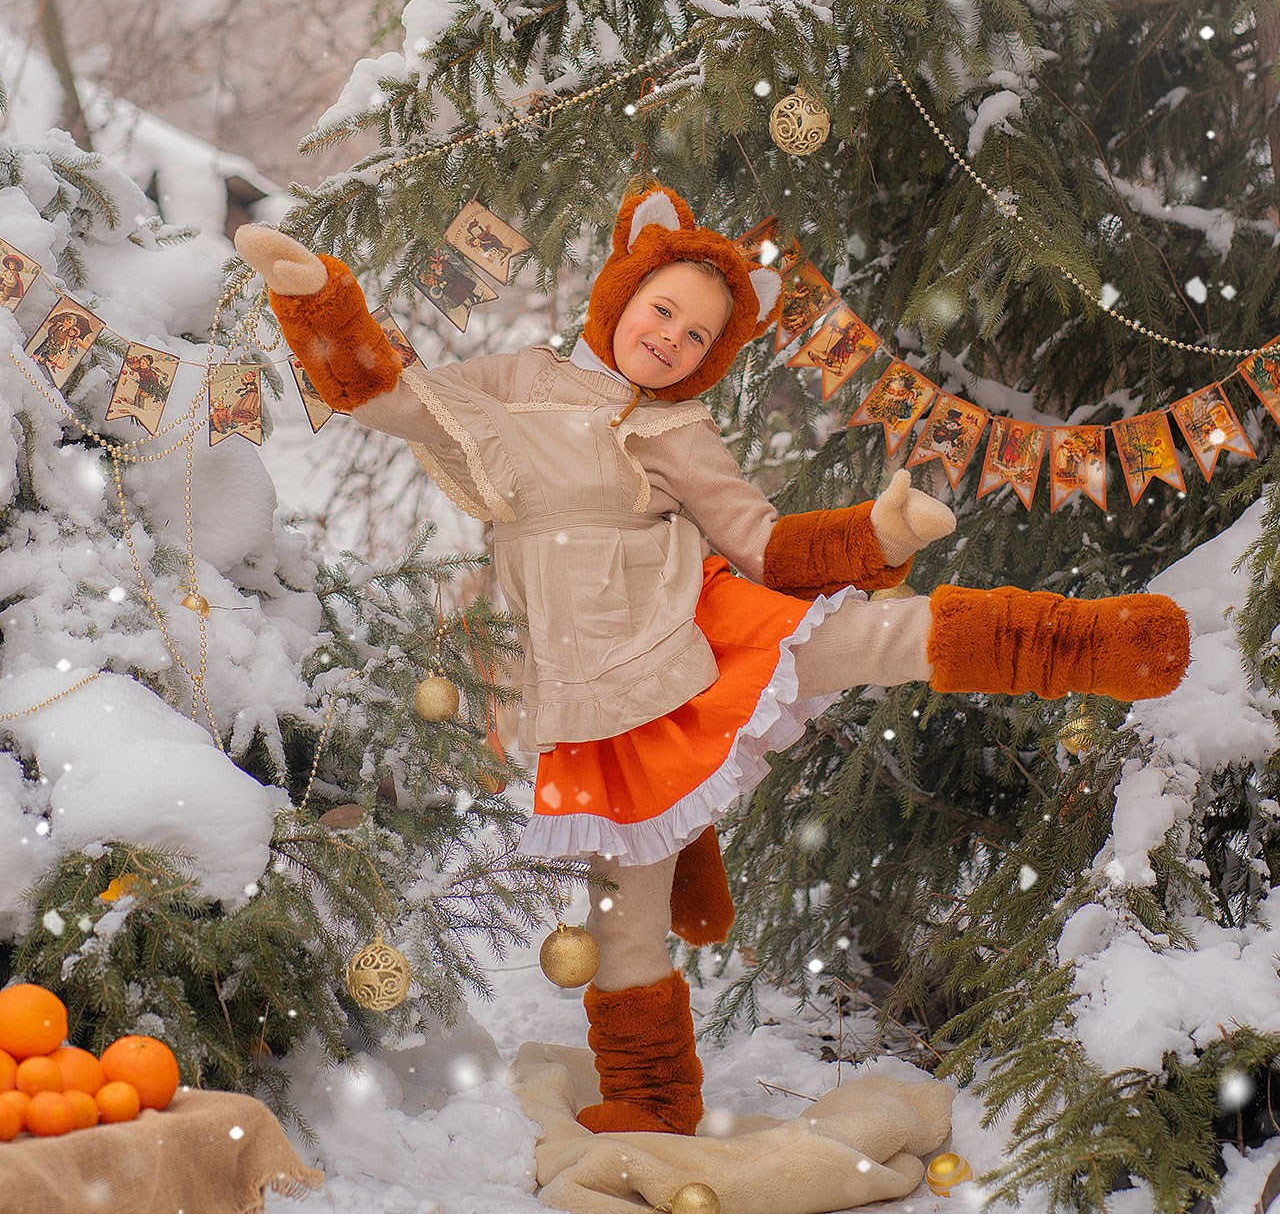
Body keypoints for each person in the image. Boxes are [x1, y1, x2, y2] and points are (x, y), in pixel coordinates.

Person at [234, 186, 1189, 1138]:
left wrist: (874, 531)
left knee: (874, 639)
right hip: (583, 672)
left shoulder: (676, 431)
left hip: (691, 619)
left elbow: (765, 543)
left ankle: (1087, 642)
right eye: (663, 311)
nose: (672, 341)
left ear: (712, 361)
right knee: (623, 912)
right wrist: (319, 298)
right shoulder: (514, 380)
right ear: (619, 292)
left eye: (697, 338)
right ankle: (651, 1105)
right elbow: (392, 395)